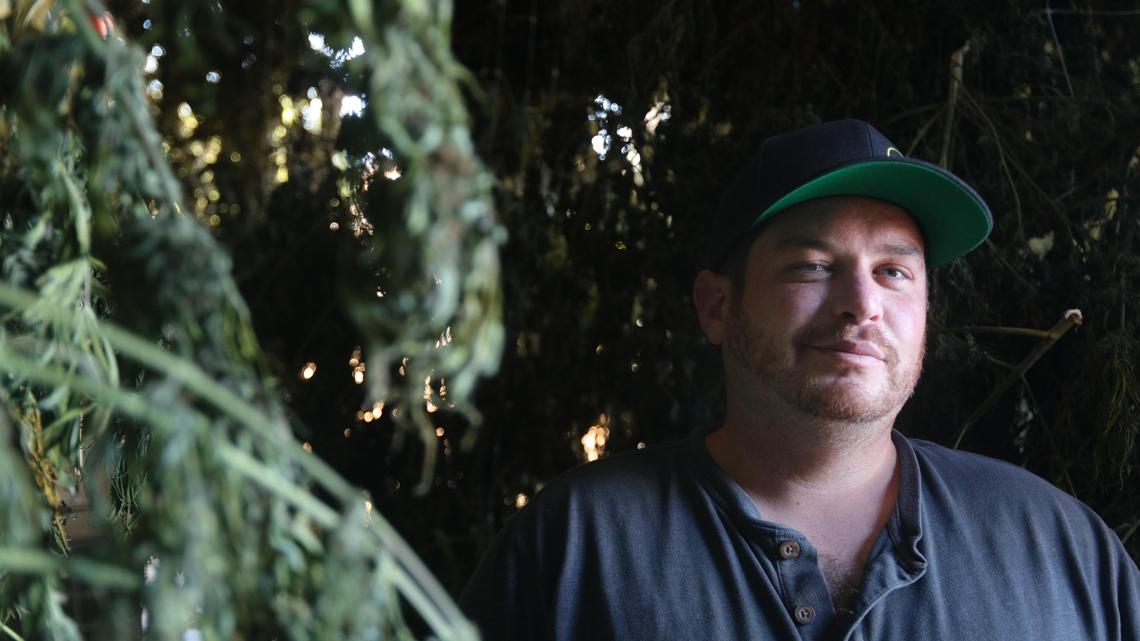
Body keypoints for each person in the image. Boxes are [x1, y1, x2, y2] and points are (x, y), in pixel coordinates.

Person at [459, 119, 1140, 640]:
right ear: (717, 306)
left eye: (894, 272)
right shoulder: (577, 548)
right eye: (812, 265)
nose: (863, 304)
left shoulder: (1061, 549)